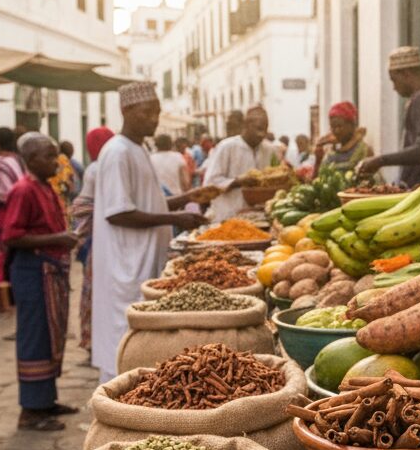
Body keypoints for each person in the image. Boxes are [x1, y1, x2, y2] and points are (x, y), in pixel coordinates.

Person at [91, 82, 207, 383]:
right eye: (148, 112)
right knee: (123, 343)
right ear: (126, 111)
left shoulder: (138, 148)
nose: (155, 119)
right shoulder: (117, 152)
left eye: (157, 112)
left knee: (138, 344)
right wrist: (173, 216)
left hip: (143, 259)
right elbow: (118, 212)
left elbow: (146, 201)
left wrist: (187, 198)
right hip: (127, 263)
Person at [0, 134, 79, 431]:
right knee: (34, 335)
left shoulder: (45, 187)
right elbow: (12, 236)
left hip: (49, 269)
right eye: (48, 156)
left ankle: (45, 400)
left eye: (56, 155)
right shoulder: (23, 190)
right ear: (31, 160)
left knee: (50, 335)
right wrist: (57, 238)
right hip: (32, 271)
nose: (55, 161)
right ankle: (30, 410)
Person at [357, 46, 420, 187]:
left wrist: (381, 160)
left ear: (406, 74)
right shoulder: (417, 99)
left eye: (394, 80)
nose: (394, 87)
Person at [70, 126, 114, 353]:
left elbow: (81, 206)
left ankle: (95, 341)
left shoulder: (96, 168)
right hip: (108, 238)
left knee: (96, 290)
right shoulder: (103, 167)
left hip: (99, 239)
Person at [202, 106, 279, 222]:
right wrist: (237, 182)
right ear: (246, 125)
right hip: (228, 216)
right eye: (258, 129)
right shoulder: (227, 147)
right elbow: (210, 183)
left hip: (261, 218)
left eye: (265, 129)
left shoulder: (271, 149)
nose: (262, 134)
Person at [0, 127, 25, 313]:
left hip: (5, 214)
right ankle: (13, 297)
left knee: (1, 254)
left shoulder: (0, 163)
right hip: (15, 212)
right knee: (11, 254)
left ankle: (4, 303)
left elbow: (4, 192)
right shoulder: (16, 160)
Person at [313, 102, 374, 174]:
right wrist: (318, 160)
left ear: (352, 125)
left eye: (340, 126)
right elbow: (317, 180)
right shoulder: (330, 152)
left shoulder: (363, 150)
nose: (336, 131)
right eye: (333, 127)